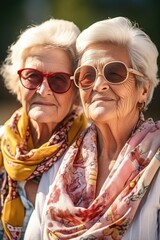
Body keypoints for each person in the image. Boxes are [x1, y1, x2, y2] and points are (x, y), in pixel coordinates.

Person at [25, 16, 160, 240]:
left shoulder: (156, 164)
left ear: (143, 90)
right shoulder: (59, 165)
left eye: (114, 73)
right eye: (87, 76)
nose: (98, 85)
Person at [0, 18, 87, 240]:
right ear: (18, 83)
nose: (44, 89)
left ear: (76, 92)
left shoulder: (90, 158)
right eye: (33, 76)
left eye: (58, 80)